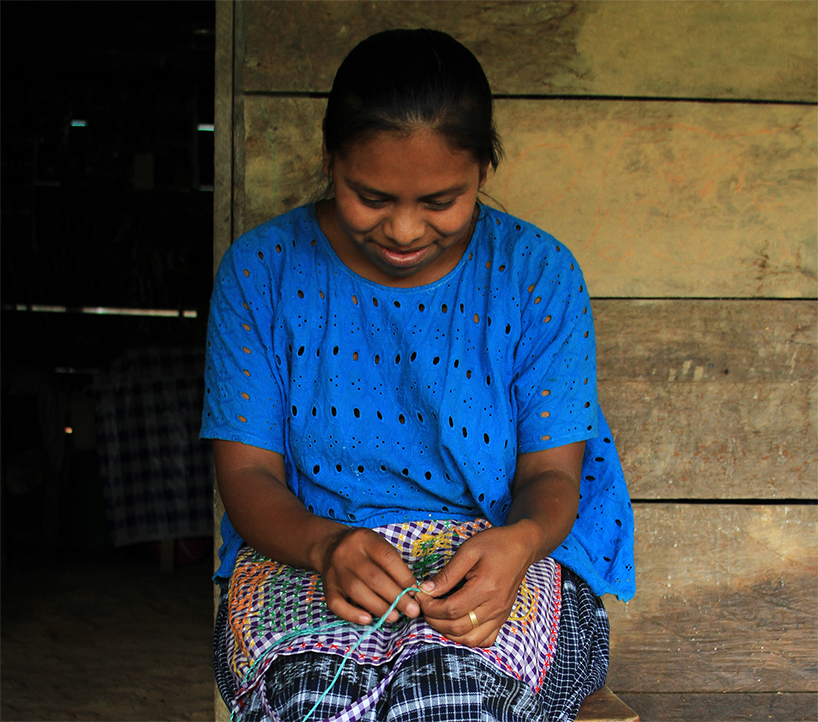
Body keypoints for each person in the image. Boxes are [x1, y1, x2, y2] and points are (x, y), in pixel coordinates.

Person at [202, 28, 634, 722]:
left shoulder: (536, 273)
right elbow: (247, 475)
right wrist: (325, 544)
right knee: (311, 700)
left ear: (483, 172)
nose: (403, 230)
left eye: (439, 201)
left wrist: (517, 545)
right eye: (370, 196)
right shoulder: (262, 272)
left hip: (498, 554)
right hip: (309, 553)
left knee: (452, 700)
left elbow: (554, 478)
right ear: (329, 160)